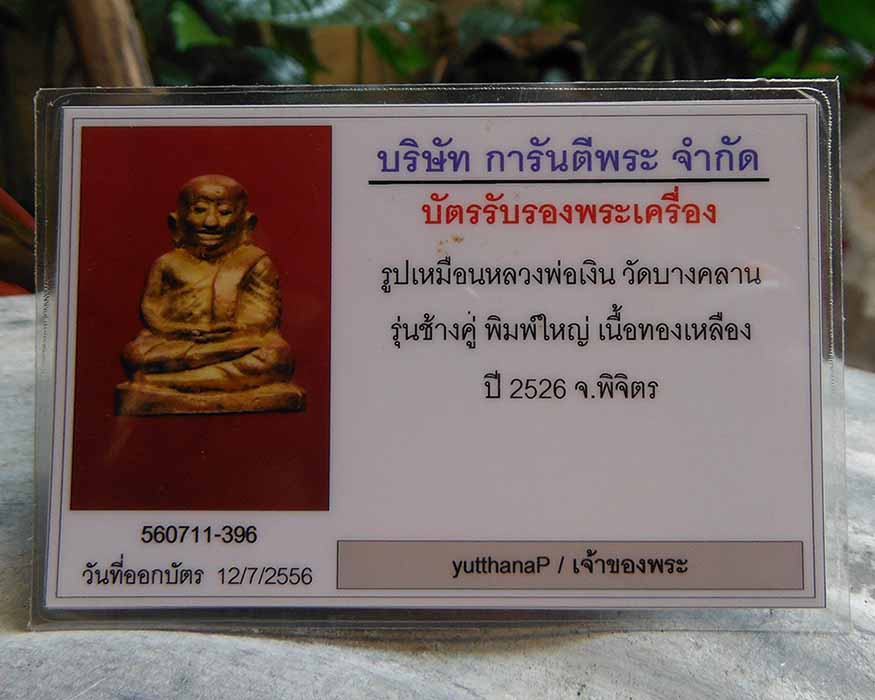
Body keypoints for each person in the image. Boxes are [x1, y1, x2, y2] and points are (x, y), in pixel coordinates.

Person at [116, 174, 305, 415]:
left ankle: (167, 382)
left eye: (224, 212)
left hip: (233, 342)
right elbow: (151, 309)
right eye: (199, 210)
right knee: (136, 354)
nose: (211, 222)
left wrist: (228, 333)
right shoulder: (167, 263)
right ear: (177, 221)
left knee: (276, 356)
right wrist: (180, 330)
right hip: (179, 341)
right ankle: (188, 379)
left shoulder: (255, 262)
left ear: (247, 222)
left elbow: (265, 314)